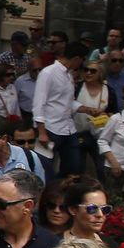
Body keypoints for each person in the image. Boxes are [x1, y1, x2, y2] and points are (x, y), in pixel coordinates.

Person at [33, 38, 87, 176]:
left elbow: (68, 102)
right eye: (82, 60)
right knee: (43, 167)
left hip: (68, 128)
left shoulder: (69, 75)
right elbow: (39, 103)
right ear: (76, 59)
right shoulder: (48, 73)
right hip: (49, 128)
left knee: (73, 168)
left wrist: (87, 109)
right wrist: (42, 132)